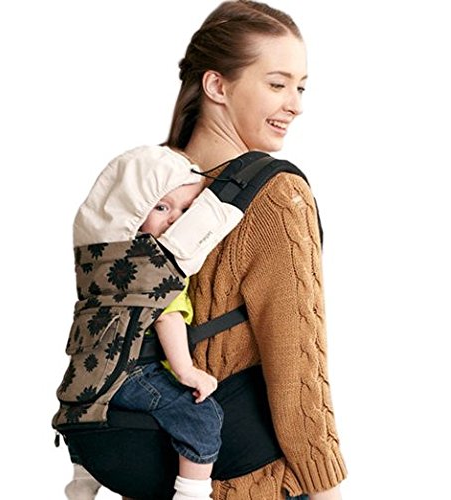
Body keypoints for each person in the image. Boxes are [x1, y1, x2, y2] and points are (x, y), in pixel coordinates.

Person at [161, 1, 347, 499]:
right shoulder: (276, 197)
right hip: (253, 482)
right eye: (277, 84)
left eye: (301, 87)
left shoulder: (143, 187)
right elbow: (297, 371)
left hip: (158, 476)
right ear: (217, 85)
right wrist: (326, 489)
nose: (296, 105)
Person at [63, 145, 224, 500]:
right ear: (133, 209)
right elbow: (167, 317)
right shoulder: (156, 266)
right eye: (162, 207)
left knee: (83, 411)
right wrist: (187, 371)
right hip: (133, 371)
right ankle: (192, 493)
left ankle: (83, 476)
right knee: (202, 416)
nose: (174, 219)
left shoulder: (105, 259)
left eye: (185, 210)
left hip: (90, 376)